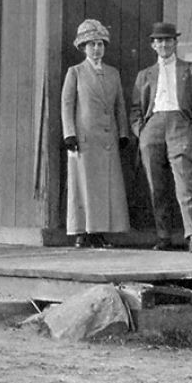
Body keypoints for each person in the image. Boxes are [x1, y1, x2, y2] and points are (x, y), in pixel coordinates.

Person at [130, 21, 192, 253]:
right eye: (159, 41)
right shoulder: (145, 75)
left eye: (168, 40)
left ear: (175, 43)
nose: (164, 44)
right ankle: (163, 235)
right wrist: (141, 131)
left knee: (186, 183)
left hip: (180, 126)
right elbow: (136, 108)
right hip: (152, 126)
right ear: (153, 45)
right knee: (156, 186)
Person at [61, 18, 131, 248]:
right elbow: (67, 104)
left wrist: (123, 132)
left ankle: (99, 231)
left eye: (100, 44)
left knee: (105, 187)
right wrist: (69, 133)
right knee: (84, 185)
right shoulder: (76, 72)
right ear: (83, 48)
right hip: (84, 139)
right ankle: (82, 231)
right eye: (92, 44)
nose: (97, 49)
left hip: (107, 139)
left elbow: (119, 105)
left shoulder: (113, 74)